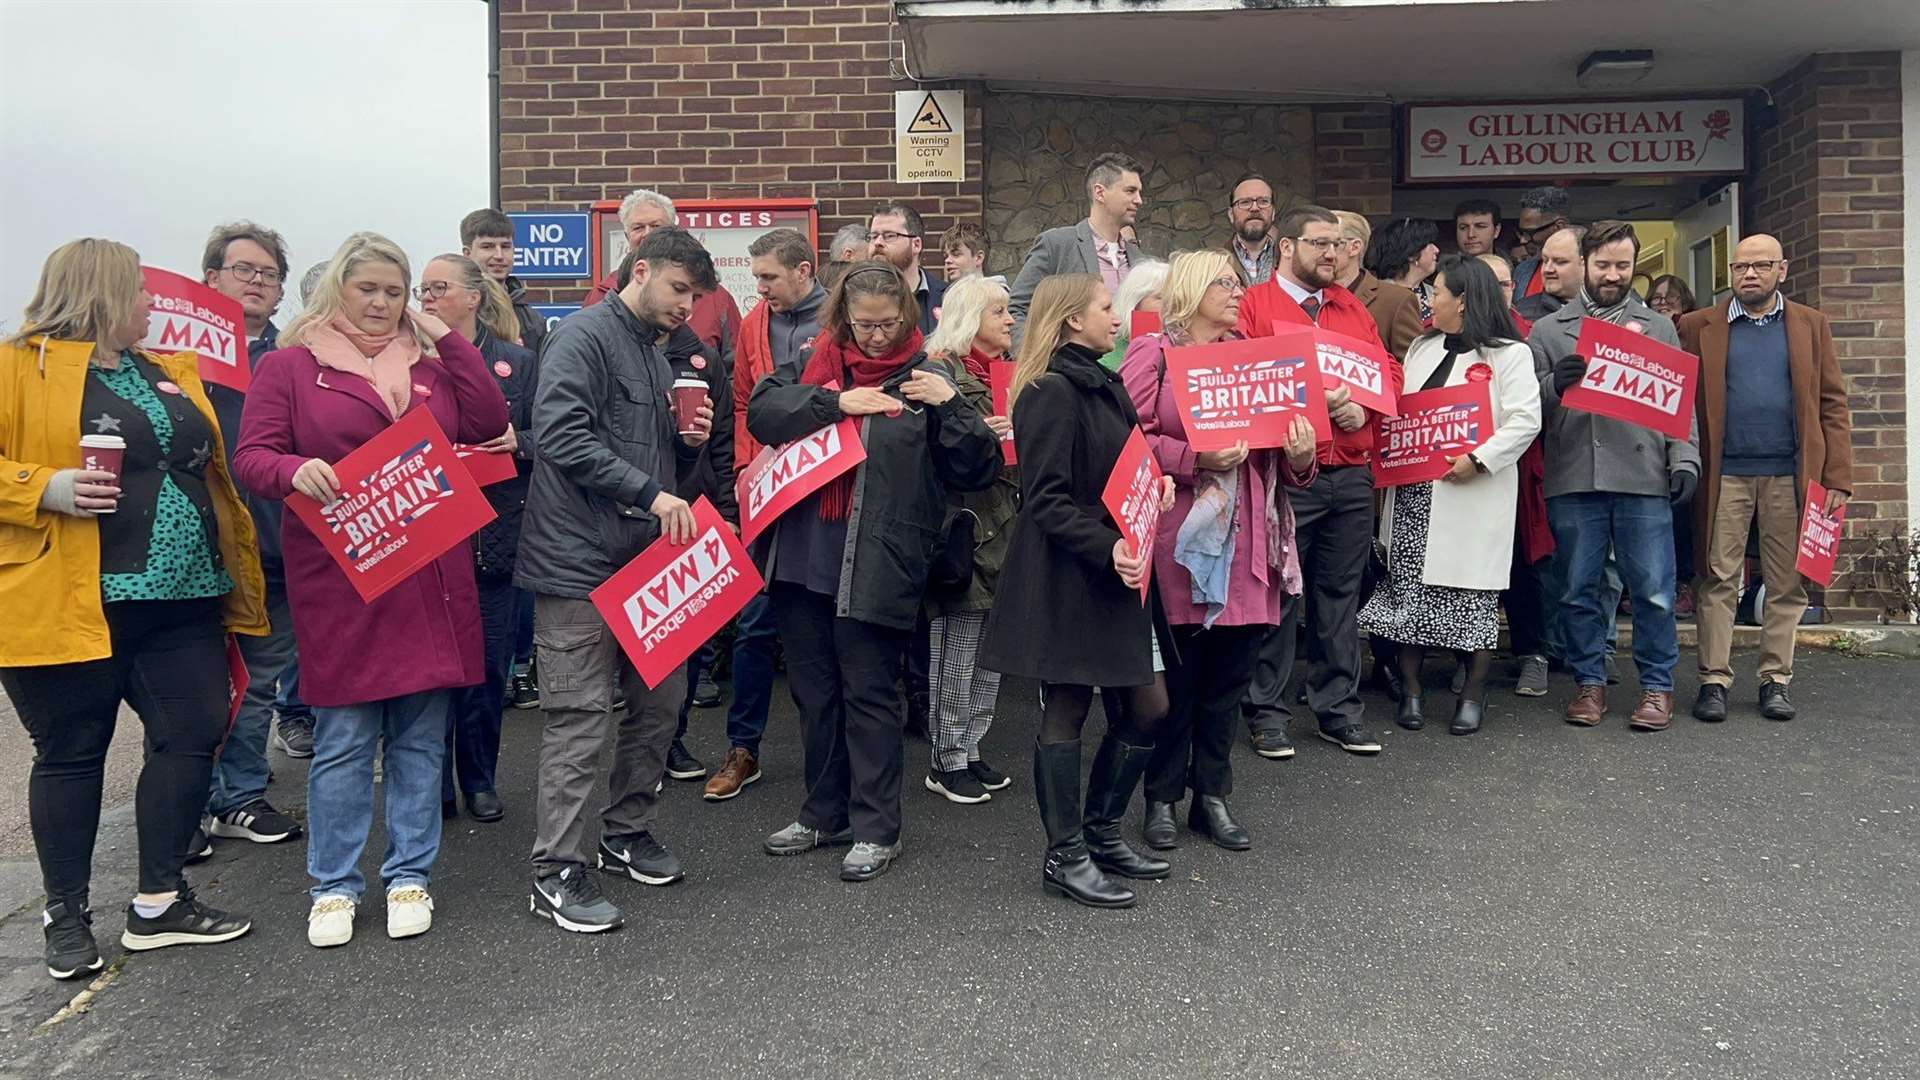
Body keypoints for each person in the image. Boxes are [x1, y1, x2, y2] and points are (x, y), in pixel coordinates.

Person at [3, 239, 265, 980]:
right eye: (141, 291)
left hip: (184, 597)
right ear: (102, 292)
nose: (154, 303)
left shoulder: (165, 373)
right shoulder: (17, 367)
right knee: (73, 754)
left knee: (192, 734)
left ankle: (160, 900)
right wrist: (42, 487)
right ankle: (65, 912)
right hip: (72, 596)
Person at [236, 232, 508, 948]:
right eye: (370, 289)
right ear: (339, 292)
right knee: (346, 740)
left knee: (421, 739)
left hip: (429, 574)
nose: (384, 303)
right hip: (344, 576)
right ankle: (333, 885)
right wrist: (293, 469)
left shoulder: (430, 363)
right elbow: (252, 457)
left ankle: (409, 874)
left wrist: (447, 336)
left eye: (397, 290)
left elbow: (487, 421)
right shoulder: (292, 366)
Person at [748, 261, 999, 882]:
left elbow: (977, 468)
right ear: (843, 318)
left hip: (881, 562)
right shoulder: (815, 360)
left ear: (908, 319)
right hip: (803, 559)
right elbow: (763, 412)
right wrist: (834, 401)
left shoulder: (930, 375)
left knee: (870, 697)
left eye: (888, 324)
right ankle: (822, 813)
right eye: (864, 325)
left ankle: (876, 826)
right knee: (815, 695)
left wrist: (950, 406)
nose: (877, 337)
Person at [512, 228, 716, 932]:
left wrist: (687, 452)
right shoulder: (585, 337)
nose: (686, 306)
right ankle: (555, 870)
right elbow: (561, 436)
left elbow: (668, 473)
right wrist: (650, 494)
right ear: (641, 270)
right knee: (579, 718)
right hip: (576, 563)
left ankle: (627, 830)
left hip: (645, 563)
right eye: (678, 289)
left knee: (662, 704)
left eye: (695, 296)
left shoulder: (659, 358)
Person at [979, 273, 1176, 908]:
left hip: (1118, 574)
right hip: (1072, 577)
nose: (1116, 317)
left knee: (1149, 706)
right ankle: (1065, 856)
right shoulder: (1051, 391)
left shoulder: (1102, 379)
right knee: (1068, 707)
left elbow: (1124, 468)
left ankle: (1101, 835)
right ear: (1071, 319)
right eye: (1104, 307)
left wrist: (1158, 487)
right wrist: (1109, 544)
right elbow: (1045, 500)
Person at [1123, 251, 1317, 851]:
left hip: (1249, 542)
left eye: (1238, 281)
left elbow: (1284, 453)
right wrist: (1193, 458)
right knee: (1178, 684)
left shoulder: (1257, 357)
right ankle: (1160, 797)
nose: (1238, 292)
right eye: (1224, 283)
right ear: (1190, 288)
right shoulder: (1154, 353)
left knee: (1229, 683)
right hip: (1180, 543)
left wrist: (1304, 455)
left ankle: (1212, 796)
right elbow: (1125, 436)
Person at [1237, 205, 1403, 758]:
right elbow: (1240, 377)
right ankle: (1266, 710)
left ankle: (1338, 709)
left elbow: (1389, 373)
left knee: (1339, 595)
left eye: (1339, 244)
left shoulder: (1352, 307)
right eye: (1319, 244)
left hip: (1350, 474)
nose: (1332, 254)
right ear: (1287, 247)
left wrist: (1367, 408)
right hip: (1286, 475)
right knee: (1279, 594)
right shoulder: (1254, 306)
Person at [1360, 257, 1541, 735]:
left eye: (1436, 291)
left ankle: (1471, 694)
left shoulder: (1509, 354)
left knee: (1472, 594)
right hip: (1416, 492)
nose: (1429, 300)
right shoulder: (1421, 347)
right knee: (1409, 593)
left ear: (1461, 300)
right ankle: (1413, 692)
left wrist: (1479, 458)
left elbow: (1525, 420)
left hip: (1472, 492)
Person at [1531, 221, 1700, 731]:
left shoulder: (1660, 326)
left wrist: (1685, 456)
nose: (1612, 274)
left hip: (1643, 473)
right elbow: (1519, 407)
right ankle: (1589, 684)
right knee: (1578, 590)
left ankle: (1657, 688)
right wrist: (1551, 385)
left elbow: (1680, 400)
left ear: (1634, 266)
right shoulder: (1548, 330)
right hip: (1575, 474)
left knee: (1652, 590)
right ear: (1584, 264)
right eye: (1603, 265)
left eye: (1623, 265)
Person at [1679, 235, 1852, 724]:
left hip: (1791, 475)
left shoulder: (1810, 325)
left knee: (1787, 582)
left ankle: (1776, 680)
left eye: (1760, 266)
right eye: (1740, 267)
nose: (1749, 274)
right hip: (1725, 472)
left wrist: (1837, 476)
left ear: (1783, 269)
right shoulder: (1698, 326)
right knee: (1716, 578)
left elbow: (1833, 404)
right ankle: (1713, 680)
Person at [694, 228, 828, 802]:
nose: (762, 288)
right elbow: (745, 400)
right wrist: (751, 464)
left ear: (804, 269)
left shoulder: (842, 318)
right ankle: (742, 748)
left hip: (826, 493)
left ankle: (830, 754)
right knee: (754, 623)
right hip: (768, 493)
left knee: (822, 630)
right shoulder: (753, 324)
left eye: (770, 277)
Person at [197, 222, 308, 857]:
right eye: (245, 271)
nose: (258, 283)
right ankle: (192, 798)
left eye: (269, 275)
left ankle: (237, 797)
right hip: (197, 553)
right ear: (211, 279)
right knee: (195, 689)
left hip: (275, 548)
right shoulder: (172, 360)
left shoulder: (291, 358)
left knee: (259, 680)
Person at [416, 253, 539, 824]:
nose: (427, 298)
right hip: (428, 544)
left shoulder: (518, 362)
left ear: (473, 296)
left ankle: (480, 779)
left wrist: (521, 443)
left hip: (496, 539)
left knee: (488, 670)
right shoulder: (407, 364)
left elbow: (553, 436)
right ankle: (432, 782)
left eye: (439, 288)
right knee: (430, 673)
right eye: (423, 288)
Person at [919, 274, 1021, 803]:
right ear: (969, 319)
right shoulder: (940, 372)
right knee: (955, 648)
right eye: (999, 311)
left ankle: (971, 748)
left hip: (1004, 522)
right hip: (966, 529)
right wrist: (986, 430)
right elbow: (939, 455)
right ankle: (945, 758)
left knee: (989, 649)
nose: (1009, 320)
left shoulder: (1006, 373)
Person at [1478, 251, 1554, 697]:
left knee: (1525, 568)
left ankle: (1532, 655)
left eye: (1505, 283)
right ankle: (1471, 658)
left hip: (1520, 471)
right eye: (1489, 283)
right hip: (1465, 475)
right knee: (1474, 568)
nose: (1498, 291)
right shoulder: (1450, 339)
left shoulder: (1530, 336)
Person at [582, 189, 744, 363]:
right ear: (626, 236)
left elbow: (735, 369)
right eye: (638, 227)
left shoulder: (716, 297)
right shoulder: (601, 296)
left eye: (656, 226)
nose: (648, 234)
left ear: (673, 231)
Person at [1009, 152, 1148, 326]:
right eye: (1130, 191)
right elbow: (1016, 308)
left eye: (1139, 192)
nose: (1139, 200)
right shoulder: (1057, 245)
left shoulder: (1140, 259)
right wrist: (1032, 353)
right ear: (1100, 193)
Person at [1334, 211, 1425, 361]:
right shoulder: (1311, 295)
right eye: (1318, 243)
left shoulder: (1396, 300)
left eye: (1332, 243)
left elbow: (1413, 364)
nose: (1324, 252)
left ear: (1355, 247)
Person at [458, 208, 546, 357]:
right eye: (488, 247)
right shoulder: (455, 309)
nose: (499, 256)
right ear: (467, 254)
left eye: (505, 247)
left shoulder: (532, 321)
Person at [865, 202, 947, 335]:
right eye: (873, 236)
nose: (878, 242)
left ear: (916, 245)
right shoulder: (853, 298)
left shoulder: (948, 298)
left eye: (890, 236)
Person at [1097, 259, 1168, 371]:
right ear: (1135, 302)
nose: (1171, 305)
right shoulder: (1108, 357)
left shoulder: (1183, 346)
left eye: (1175, 298)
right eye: (1160, 298)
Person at [1367, 218, 1440, 324]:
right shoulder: (1378, 297)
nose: (1436, 250)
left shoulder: (1434, 293)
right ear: (1411, 253)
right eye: (1429, 243)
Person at [1511, 186, 1573, 298]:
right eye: (1521, 233)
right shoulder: (1522, 270)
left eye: (1530, 232)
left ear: (1559, 226)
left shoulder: (1592, 270)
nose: (1523, 240)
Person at [1515, 225, 1584, 323]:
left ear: (1585, 263)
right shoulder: (1522, 316)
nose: (1548, 269)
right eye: (1545, 260)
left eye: (1560, 262)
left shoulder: (1609, 310)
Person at [1227, 174, 1279, 286]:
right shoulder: (1215, 263)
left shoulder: (1291, 260)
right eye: (1245, 202)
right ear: (1231, 214)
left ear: (1273, 213)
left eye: (1263, 201)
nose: (1255, 208)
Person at [821, 223, 871, 290]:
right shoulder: (852, 290)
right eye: (867, 258)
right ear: (848, 255)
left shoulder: (818, 284)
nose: (872, 264)